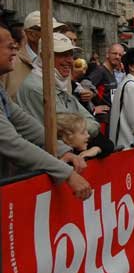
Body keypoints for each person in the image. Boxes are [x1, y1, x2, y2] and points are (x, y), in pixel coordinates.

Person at [0, 22, 91, 200]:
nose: (15, 52)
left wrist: (63, 150)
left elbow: (24, 122)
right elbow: (13, 143)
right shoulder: (35, 86)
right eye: (10, 47)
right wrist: (66, 172)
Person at [17, 33, 113, 156]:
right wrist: (85, 130)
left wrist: (84, 129)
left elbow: (90, 124)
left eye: (71, 55)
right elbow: (69, 128)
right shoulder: (36, 87)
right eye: (62, 55)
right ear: (44, 56)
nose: (70, 61)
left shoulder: (56, 83)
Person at [87, 43, 124, 112]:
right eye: (114, 53)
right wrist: (93, 109)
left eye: (120, 55)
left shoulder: (112, 72)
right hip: (101, 119)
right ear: (107, 54)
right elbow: (83, 90)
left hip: (110, 118)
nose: (117, 57)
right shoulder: (100, 71)